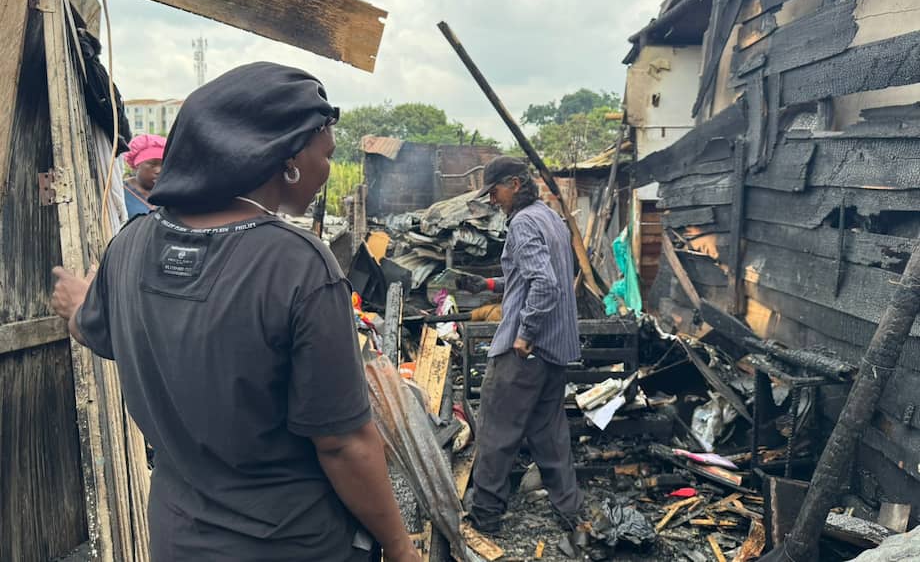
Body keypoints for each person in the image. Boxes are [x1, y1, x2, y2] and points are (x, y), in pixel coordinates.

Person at [50, 62, 420, 562]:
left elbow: (95, 328)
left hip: (179, 540)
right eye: (327, 155)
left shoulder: (131, 245)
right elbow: (342, 444)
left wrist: (77, 303)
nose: (329, 169)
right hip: (288, 545)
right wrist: (399, 545)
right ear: (289, 159)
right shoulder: (298, 265)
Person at [459, 156, 583, 534]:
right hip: (555, 348)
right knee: (550, 434)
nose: (492, 200)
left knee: (497, 429)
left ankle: (485, 514)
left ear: (514, 184)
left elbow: (544, 284)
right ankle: (571, 512)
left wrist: (525, 334)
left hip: (526, 351)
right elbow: (535, 274)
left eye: (494, 191)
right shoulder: (550, 219)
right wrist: (490, 285)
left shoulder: (523, 223)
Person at [123, 133, 165, 216]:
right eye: (152, 165)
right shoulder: (122, 192)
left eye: (163, 164)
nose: (159, 171)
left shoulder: (169, 192)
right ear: (136, 165)